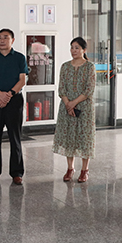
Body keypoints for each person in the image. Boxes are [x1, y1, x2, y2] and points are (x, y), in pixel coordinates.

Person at [0, 28, 29, 185]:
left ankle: (17, 173)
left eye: (5, 37)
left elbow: (22, 80)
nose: (2, 40)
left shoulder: (19, 58)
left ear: (12, 40)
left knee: (15, 137)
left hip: (14, 101)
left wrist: (8, 95)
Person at [53, 37, 96, 183]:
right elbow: (61, 88)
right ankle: (70, 168)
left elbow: (89, 89)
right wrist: (68, 104)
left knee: (85, 137)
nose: (73, 50)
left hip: (84, 107)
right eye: (72, 47)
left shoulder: (90, 67)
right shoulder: (65, 66)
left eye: (77, 48)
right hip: (67, 107)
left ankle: (85, 170)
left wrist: (74, 103)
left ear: (84, 50)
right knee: (69, 136)